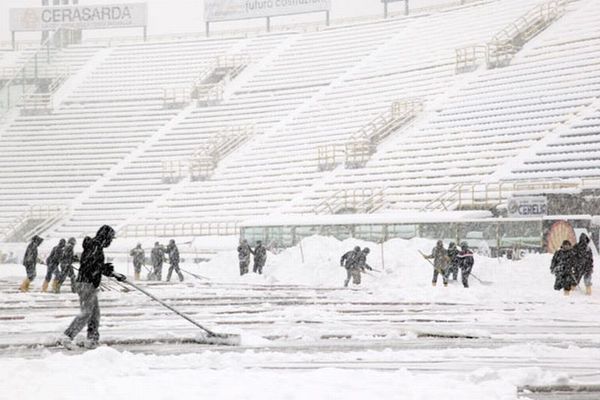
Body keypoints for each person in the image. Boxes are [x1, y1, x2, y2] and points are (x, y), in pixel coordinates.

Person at [60, 225, 126, 349]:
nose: (111, 241)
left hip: (88, 283)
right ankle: (67, 336)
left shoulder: (96, 246)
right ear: (105, 237)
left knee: (94, 315)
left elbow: (94, 265)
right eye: (110, 238)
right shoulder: (95, 246)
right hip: (86, 284)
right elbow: (90, 265)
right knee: (87, 313)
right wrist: (103, 268)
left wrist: (113, 273)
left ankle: (92, 339)